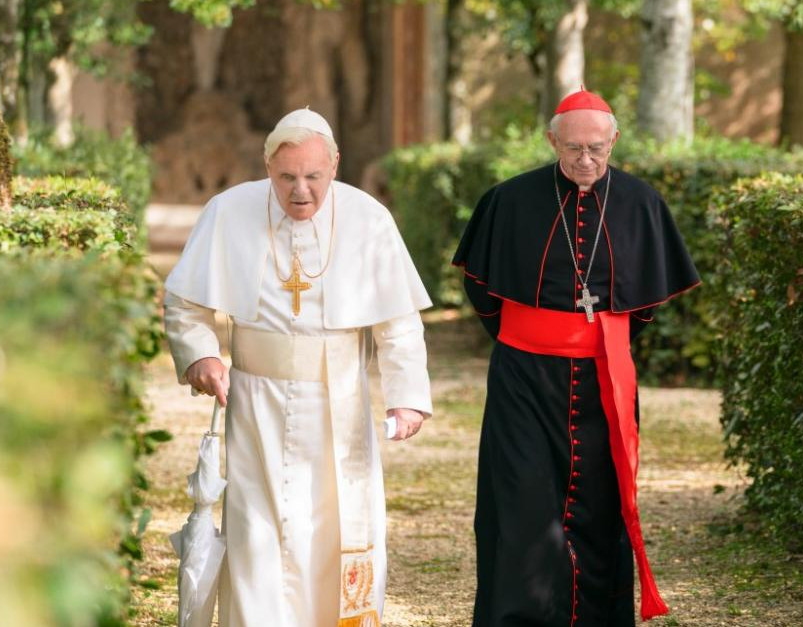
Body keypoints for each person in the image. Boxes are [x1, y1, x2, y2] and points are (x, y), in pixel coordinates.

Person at [163, 107, 433, 627]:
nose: (301, 191)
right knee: (257, 533)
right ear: (268, 167)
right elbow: (184, 304)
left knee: (334, 531)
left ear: (335, 164)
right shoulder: (229, 211)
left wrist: (406, 397)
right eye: (287, 177)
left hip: (341, 407)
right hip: (254, 403)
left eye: (313, 176)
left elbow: (397, 322)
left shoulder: (368, 218)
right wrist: (199, 354)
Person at [453, 87, 700, 626]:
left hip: (604, 379)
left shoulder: (640, 202)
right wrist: (538, 336)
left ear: (614, 140)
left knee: (599, 507)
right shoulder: (508, 200)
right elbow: (482, 293)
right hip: (524, 376)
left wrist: (595, 338)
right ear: (551, 141)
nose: (586, 160)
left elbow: (647, 303)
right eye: (573, 150)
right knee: (519, 506)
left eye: (597, 149)